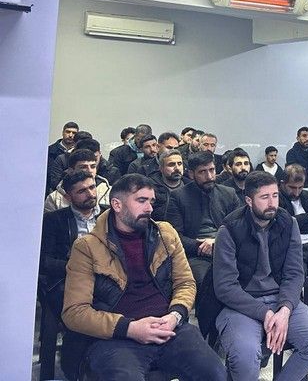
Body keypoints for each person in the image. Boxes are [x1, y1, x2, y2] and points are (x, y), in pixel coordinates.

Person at [61, 174, 226, 381]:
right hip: (117, 337)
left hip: (169, 327)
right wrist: (129, 328)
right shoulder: (87, 247)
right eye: (141, 200)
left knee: (215, 374)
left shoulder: (165, 234)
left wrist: (175, 315)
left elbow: (185, 283)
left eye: (151, 201)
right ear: (117, 205)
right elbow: (74, 312)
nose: (149, 208)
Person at [213, 171, 308, 380]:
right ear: (249, 201)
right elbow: (225, 287)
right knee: (245, 356)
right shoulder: (229, 229)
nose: (272, 203)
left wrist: (285, 309)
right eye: (264, 197)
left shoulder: (288, 223)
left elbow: (295, 274)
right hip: (242, 304)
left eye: (275, 195)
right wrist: (265, 313)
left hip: (280, 298)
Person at [39, 169, 108, 320]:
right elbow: (44, 261)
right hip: (70, 278)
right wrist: (77, 268)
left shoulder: (110, 215)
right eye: (82, 191)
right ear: (68, 197)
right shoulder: (54, 220)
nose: (90, 194)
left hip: (106, 276)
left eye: (92, 187)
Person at [166, 150, 240, 285]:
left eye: (212, 170)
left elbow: (238, 229)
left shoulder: (228, 193)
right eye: (202, 172)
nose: (209, 176)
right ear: (191, 174)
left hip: (228, 249)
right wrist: (201, 246)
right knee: (205, 279)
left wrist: (216, 243)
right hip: (196, 254)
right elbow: (174, 236)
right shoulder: (178, 197)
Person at [44, 148, 112, 213]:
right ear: (71, 170)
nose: (90, 170)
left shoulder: (108, 191)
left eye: (93, 166)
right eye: (83, 167)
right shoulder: (54, 198)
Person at [149, 148, 186, 221]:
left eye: (179, 164)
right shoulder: (151, 188)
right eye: (171, 164)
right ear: (161, 168)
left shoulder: (190, 186)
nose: (177, 168)